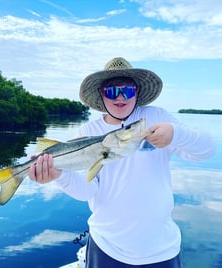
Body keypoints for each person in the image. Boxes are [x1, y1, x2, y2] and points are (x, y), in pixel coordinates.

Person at [28, 57, 216, 267]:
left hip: (161, 249)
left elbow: (207, 151)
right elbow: (87, 192)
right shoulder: (88, 132)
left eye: (126, 90)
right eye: (111, 91)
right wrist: (59, 176)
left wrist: (176, 134)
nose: (119, 97)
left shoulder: (156, 117)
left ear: (137, 92)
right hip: (106, 246)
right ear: (101, 94)